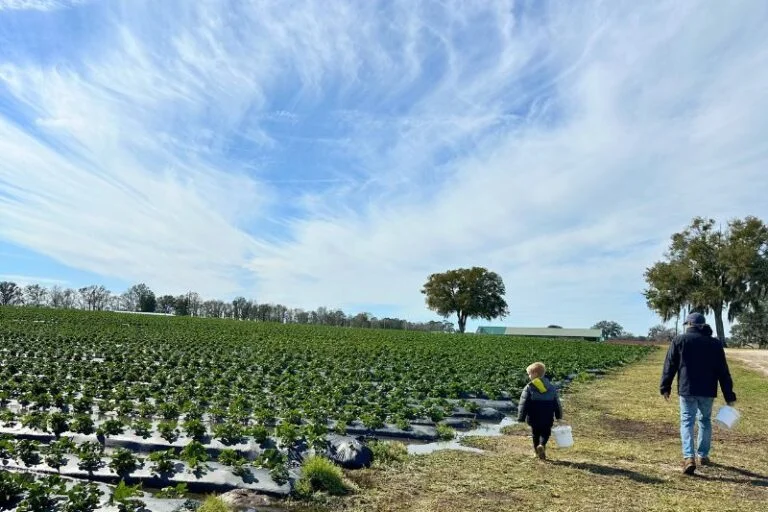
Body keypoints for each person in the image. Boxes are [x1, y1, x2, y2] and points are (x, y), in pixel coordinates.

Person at [660, 312, 737, 475]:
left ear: (689, 325)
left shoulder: (680, 340)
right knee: (705, 420)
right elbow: (723, 371)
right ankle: (703, 455)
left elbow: (670, 365)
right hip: (708, 390)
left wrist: (665, 386)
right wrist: (728, 394)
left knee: (687, 421)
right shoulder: (715, 344)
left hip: (687, 389)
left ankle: (689, 457)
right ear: (703, 325)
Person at [517, 361, 563, 460]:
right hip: (547, 415)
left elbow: (523, 403)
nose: (528, 376)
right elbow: (557, 403)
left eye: (529, 374)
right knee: (546, 432)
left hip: (534, 415)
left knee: (535, 434)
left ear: (535, 374)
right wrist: (558, 416)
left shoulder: (529, 387)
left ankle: (536, 453)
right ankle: (542, 445)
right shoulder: (551, 387)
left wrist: (521, 417)